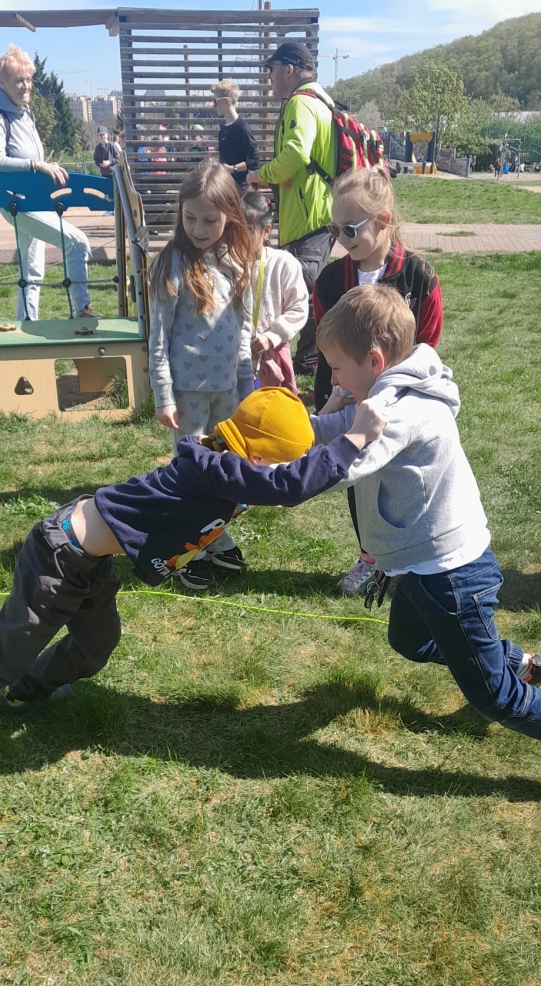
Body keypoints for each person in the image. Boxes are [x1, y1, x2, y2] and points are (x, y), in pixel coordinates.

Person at [0, 389, 385, 777]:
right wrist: (355, 438)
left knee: (96, 645)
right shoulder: (213, 470)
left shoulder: (232, 467)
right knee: (2, 660)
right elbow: (290, 484)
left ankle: (28, 691)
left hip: (91, 564)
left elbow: (290, 463)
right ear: (255, 458)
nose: (286, 470)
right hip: (59, 555)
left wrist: (331, 412)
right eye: (279, 462)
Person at [311, 284, 541, 738]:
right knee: (409, 640)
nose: (333, 380)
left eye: (336, 368)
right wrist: (277, 432)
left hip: (451, 575)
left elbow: (338, 467)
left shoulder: (399, 411)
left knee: (496, 698)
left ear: (374, 362)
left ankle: (505, 674)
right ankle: (522, 663)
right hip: (422, 566)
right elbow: (333, 429)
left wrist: (263, 479)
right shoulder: (385, 396)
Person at [313, 167, 443, 596]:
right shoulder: (330, 280)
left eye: (350, 229)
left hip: (400, 403)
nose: (341, 239)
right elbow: (326, 341)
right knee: (359, 478)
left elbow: (427, 343)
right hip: (347, 399)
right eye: (334, 229)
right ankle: (370, 554)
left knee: (401, 477)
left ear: (383, 220)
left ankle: (407, 554)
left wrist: (396, 388)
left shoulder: (419, 276)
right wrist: (338, 392)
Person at [149, 161, 255, 587]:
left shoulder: (237, 263)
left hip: (226, 392)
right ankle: (182, 551)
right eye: (190, 217)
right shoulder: (171, 263)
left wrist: (247, 389)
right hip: (186, 393)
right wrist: (163, 394)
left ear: (230, 215)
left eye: (209, 220)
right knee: (192, 472)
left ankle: (213, 537)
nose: (198, 228)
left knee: (223, 469)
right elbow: (158, 336)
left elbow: (244, 333)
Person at [0, 45, 96, 321]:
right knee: (77, 242)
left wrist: (42, 166)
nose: (26, 86)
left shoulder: (24, 113)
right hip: (17, 202)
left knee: (32, 269)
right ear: (3, 83)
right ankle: (82, 310)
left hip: (33, 198)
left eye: (28, 79)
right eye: (18, 81)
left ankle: (26, 323)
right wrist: (36, 165)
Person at [246, 41, 335, 376]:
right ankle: (311, 358)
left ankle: (310, 360)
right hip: (316, 212)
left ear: (289, 69)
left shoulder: (301, 102)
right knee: (311, 287)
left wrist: (261, 175)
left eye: (271, 70)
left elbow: (297, 153)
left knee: (307, 289)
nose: (269, 78)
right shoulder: (321, 100)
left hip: (308, 217)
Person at [242, 191, 308, 392]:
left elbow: (299, 308)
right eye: (235, 229)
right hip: (236, 357)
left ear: (266, 231)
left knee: (272, 406)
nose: (240, 237)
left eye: (248, 230)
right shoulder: (227, 264)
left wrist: (272, 336)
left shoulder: (284, 263)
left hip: (273, 356)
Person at [210, 78, 259, 193]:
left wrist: (233, 169)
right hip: (226, 188)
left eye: (215, 101)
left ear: (226, 101)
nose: (214, 105)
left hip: (242, 190)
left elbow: (255, 160)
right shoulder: (223, 130)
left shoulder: (243, 127)